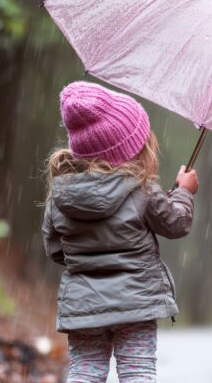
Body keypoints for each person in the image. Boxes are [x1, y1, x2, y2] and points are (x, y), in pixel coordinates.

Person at [42, 81, 199, 382]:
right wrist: (183, 193)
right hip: (136, 304)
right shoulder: (143, 191)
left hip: (84, 306)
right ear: (130, 149)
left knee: (85, 372)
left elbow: (55, 250)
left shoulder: (60, 196)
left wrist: (89, 262)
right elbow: (176, 224)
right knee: (137, 373)